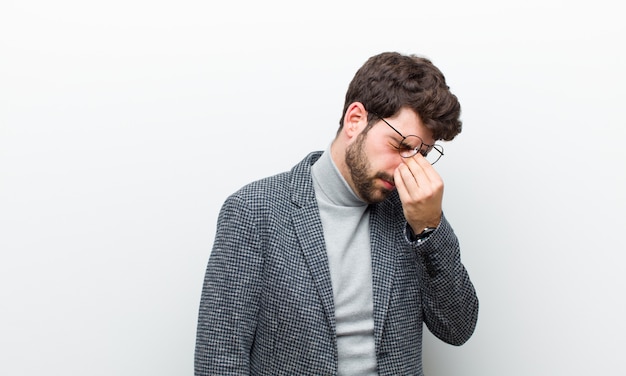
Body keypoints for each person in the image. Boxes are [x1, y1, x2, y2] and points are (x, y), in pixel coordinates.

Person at [194, 51, 479, 375]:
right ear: (355, 119)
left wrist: (429, 228)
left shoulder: (412, 212)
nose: (408, 168)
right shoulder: (254, 212)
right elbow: (220, 358)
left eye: (422, 154)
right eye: (400, 146)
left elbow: (457, 328)